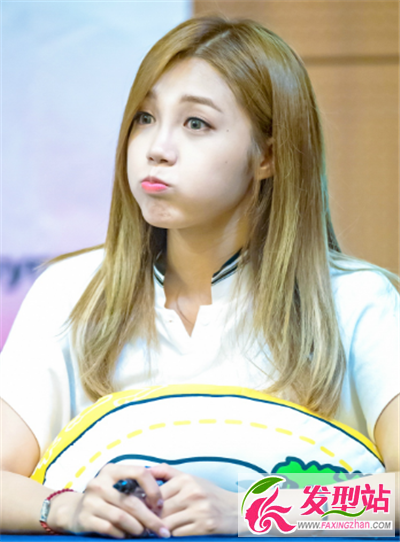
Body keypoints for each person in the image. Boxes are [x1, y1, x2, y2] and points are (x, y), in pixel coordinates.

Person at [1, 16, 399, 538]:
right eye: (145, 118)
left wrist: (251, 511)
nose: (157, 148)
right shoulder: (70, 290)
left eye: (196, 123)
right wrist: (66, 507)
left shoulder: (356, 299)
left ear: (268, 155)